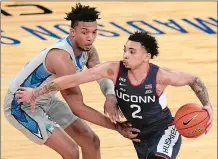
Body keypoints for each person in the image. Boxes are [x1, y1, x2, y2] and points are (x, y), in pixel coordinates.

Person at [16, 31, 213, 159]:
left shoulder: (161, 76)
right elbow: (71, 80)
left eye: (132, 52)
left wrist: (207, 106)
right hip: (138, 135)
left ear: (146, 57)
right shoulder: (113, 70)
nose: (125, 55)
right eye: (125, 50)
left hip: (163, 130)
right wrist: (37, 92)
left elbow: (194, 79)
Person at [3, 3, 140, 159]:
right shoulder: (61, 58)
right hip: (21, 105)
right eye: (85, 32)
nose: (90, 37)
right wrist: (116, 127)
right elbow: (77, 107)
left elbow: (101, 75)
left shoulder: (87, 50)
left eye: (94, 32)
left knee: (91, 141)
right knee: (71, 151)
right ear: (72, 32)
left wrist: (110, 95)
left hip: (45, 99)